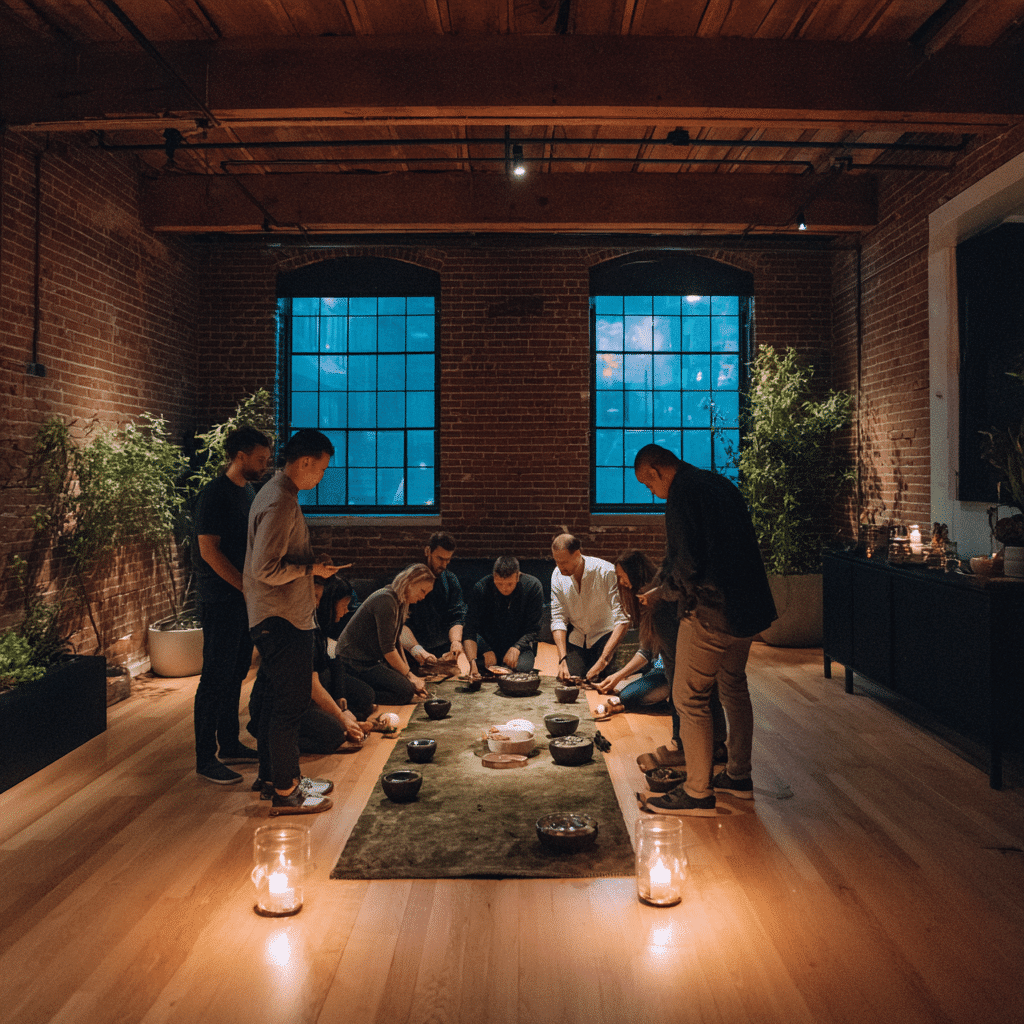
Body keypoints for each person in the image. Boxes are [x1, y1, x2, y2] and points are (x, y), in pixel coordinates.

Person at [633, 444, 776, 816]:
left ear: (658, 471)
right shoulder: (717, 483)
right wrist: (661, 584)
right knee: (733, 686)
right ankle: (738, 776)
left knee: (689, 697)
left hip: (714, 611)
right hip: (748, 608)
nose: (651, 491)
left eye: (648, 484)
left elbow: (688, 564)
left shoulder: (680, 493)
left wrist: (663, 593)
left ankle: (697, 793)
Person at [244, 428, 344, 815]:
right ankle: (286, 791)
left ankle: (276, 778)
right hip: (282, 618)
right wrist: (311, 568)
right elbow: (265, 568)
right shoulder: (281, 500)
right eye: (320, 470)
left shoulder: (274, 493)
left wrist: (309, 567)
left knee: (272, 701)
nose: (320, 478)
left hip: (273, 615)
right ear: (304, 462)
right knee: (291, 704)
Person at [192, 425, 272, 785]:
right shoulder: (214, 494)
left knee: (236, 672)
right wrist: (243, 587)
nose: (265, 465)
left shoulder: (251, 492)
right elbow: (209, 551)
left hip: (244, 599)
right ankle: (205, 758)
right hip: (222, 599)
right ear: (240, 456)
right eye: (260, 459)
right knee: (215, 677)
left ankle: (229, 743)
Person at [603, 549, 729, 763]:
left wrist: (676, 739)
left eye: (622, 577)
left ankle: (691, 746)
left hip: (679, 666)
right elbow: (650, 651)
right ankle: (704, 744)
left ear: (635, 575)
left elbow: (673, 665)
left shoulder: (660, 606)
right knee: (642, 693)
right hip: (670, 666)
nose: (621, 583)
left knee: (684, 693)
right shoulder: (655, 604)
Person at [334, 564, 436, 706]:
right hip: (354, 661)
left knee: (406, 687)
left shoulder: (400, 601)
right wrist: (410, 677)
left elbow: (396, 642)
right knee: (404, 692)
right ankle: (359, 695)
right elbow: (388, 650)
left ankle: (365, 691)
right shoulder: (386, 599)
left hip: (370, 660)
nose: (423, 597)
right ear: (410, 583)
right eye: (422, 591)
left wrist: (408, 677)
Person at [549, 533, 629, 682]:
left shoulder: (606, 571)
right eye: (556, 561)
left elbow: (622, 618)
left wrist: (603, 660)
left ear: (577, 554)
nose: (560, 567)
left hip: (604, 635)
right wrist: (562, 659)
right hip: (578, 637)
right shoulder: (557, 575)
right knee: (568, 679)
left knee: (603, 679)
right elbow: (558, 618)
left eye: (564, 562)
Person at [463, 555, 544, 677]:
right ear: (493, 576)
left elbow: (534, 629)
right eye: (499, 583)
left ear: (518, 576)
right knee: (477, 666)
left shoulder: (533, 587)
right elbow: (470, 628)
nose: (504, 588)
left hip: (520, 645)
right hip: (489, 645)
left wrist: (517, 647)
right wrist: (478, 656)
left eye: (510, 584)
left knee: (522, 668)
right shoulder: (481, 588)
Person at [401, 532, 468, 672]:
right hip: (414, 646)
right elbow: (400, 624)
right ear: (427, 551)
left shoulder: (450, 580)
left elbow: (457, 616)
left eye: (448, 560)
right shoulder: (409, 579)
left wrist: (456, 642)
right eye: (440, 558)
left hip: (443, 646)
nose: (444, 565)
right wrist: (417, 650)